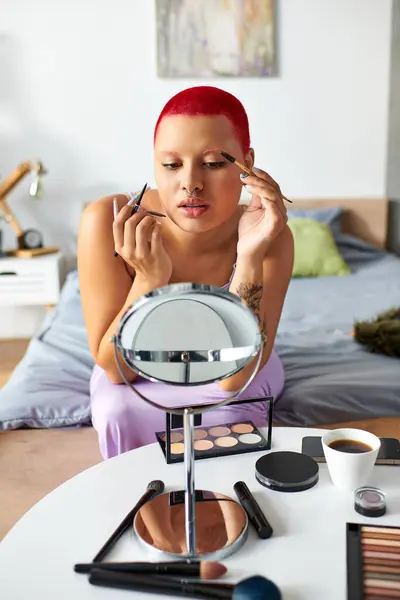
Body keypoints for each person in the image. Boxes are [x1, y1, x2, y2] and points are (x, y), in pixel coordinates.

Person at [77, 85, 294, 460]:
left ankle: (238, 513)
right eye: (172, 165)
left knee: (235, 411)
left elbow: (233, 379)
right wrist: (147, 279)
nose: (191, 182)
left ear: (247, 163)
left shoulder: (270, 234)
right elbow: (116, 371)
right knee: (118, 411)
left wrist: (250, 254)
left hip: (234, 367)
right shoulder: (108, 221)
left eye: (213, 163)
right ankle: (145, 517)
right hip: (138, 372)